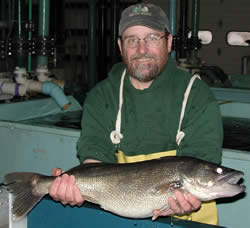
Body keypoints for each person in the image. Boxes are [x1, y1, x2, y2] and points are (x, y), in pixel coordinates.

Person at [49, 3, 223, 225]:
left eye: (152, 37)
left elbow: (204, 169)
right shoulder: (101, 97)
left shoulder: (197, 96)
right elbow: (94, 157)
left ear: (169, 42)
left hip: (189, 221)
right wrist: (73, 189)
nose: (142, 50)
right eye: (132, 40)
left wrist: (185, 200)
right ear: (120, 46)